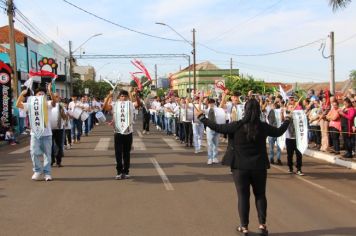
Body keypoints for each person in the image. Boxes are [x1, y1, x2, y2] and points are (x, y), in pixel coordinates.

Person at [196, 99, 291, 235]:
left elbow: (218, 127)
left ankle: (244, 227)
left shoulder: (237, 125)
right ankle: (262, 225)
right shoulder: (263, 126)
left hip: (240, 167)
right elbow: (279, 132)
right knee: (260, 195)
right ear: (259, 111)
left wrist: (202, 118)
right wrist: (287, 119)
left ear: (245, 110)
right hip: (259, 166)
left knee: (243, 196)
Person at [16, 84, 56, 181]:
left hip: (47, 134)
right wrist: (22, 94)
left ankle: (47, 173)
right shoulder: (31, 104)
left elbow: (54, 102)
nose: (41, 96)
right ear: (35, 95)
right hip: (35, 134)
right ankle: (37, 171)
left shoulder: (47, 103)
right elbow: (18, 104)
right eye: (39, 94)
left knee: (47, 154)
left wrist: (50, 91)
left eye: (43, 94)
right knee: (33, 152)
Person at [103, 90, 140, 180]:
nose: (123, 98)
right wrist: (108, 96)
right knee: (118, 153)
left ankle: (126, 171)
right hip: (118, 132)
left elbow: (138, 104)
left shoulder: (130, 104)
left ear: (127, 97)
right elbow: (105, 107)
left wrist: (136, 95)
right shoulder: (115, 105)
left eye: (125, 96)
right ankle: (119, 172)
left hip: (128, 131)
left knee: (126, 153)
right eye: (121, 96)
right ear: (119, 97)